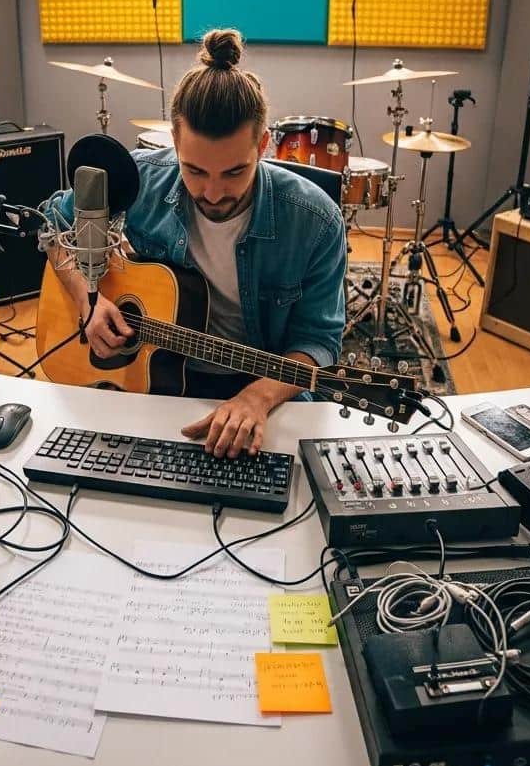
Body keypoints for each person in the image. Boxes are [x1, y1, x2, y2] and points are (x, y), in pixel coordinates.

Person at [40, 28, 346, 458]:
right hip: (152, 376)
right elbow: (52, 222)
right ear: (175, 141)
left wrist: (256, 398)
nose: (215, 192)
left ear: (263, 145)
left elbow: (319, 341)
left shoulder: (315, 221)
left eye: (235, 172)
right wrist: (85, 301)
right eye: (196, 171)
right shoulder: (138, 180)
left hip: (260, 388)